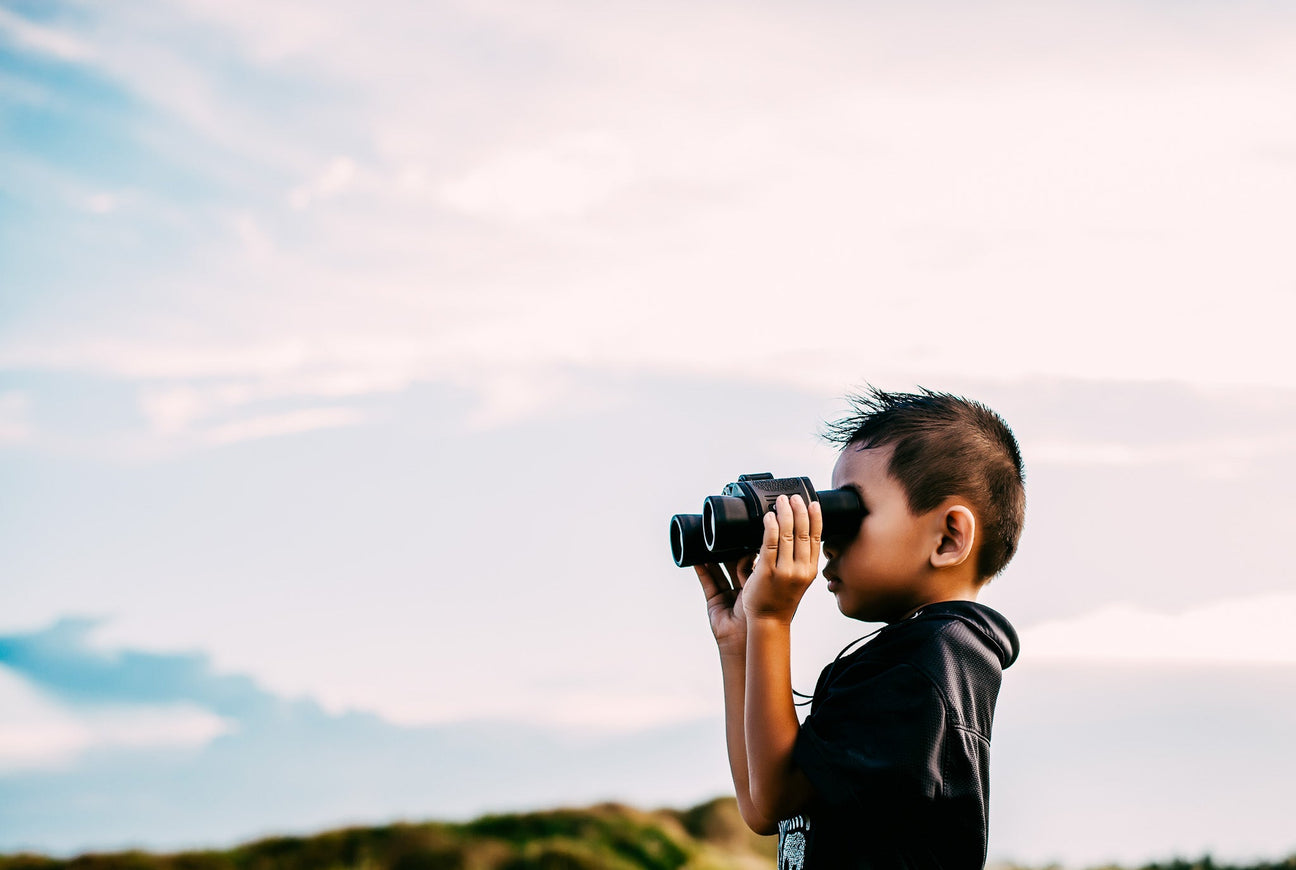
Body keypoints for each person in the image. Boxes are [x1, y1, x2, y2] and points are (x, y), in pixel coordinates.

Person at [693, 386, 1025, 869]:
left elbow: (773, 798)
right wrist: (739, 641)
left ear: (950, 536)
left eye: (849, 511)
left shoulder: (925, 663)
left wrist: (771, 619)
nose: (828, 539)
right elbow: (759, 803)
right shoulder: (921, 657)